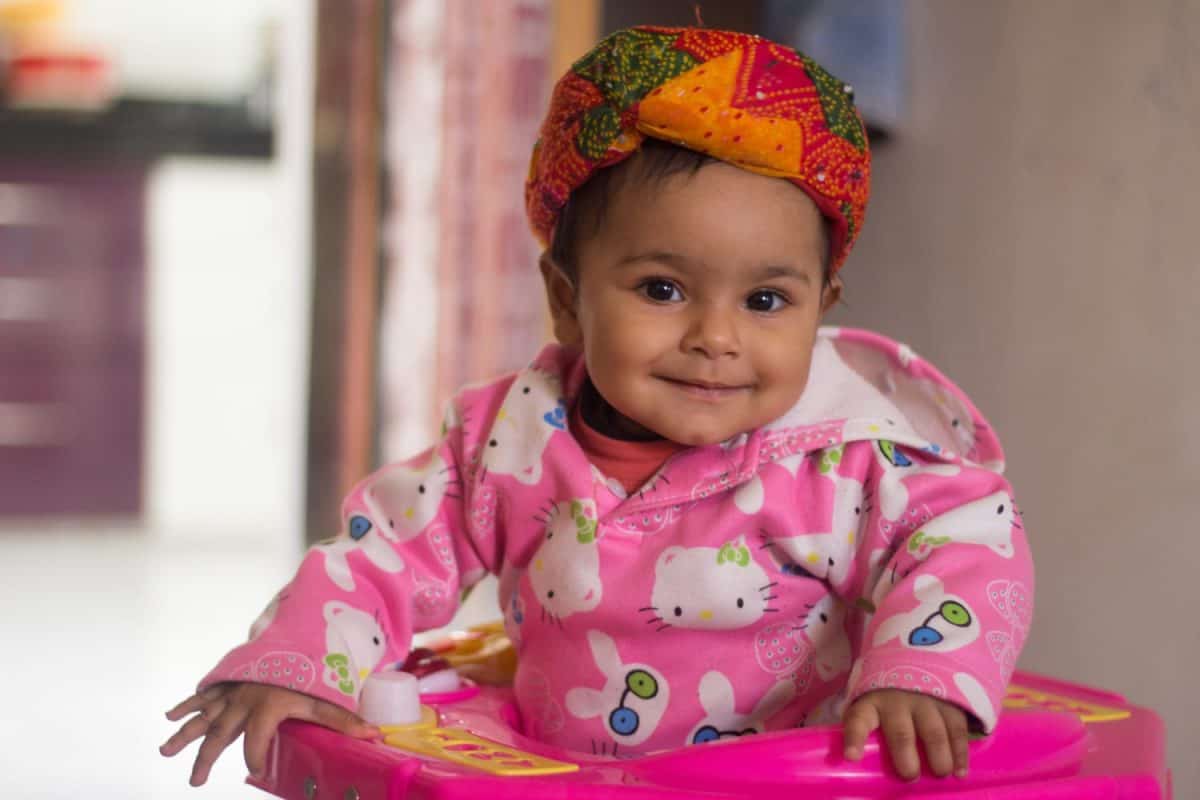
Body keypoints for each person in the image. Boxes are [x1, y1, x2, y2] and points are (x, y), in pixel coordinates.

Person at [161, 25, 1033, 787]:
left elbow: (963, 540)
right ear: (568, 299)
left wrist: (917, 673)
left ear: (823, 306)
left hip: (786, 782)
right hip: (564, 777)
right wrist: (301, 665)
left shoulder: (850, 456)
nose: (716, 336)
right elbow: (383, 552)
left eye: (766, 302)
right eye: (663, 288)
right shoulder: (507, 442)